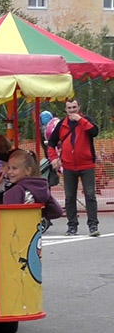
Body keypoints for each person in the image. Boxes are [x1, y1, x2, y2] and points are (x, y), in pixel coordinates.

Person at [47, 98, 100, 236]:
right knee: (69, 197)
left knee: (90, 195)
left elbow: (94, 132)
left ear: (79, 107)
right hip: (69, 166)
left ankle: (93, 226)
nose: (72, 110)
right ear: (66, 110)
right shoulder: (62, 125)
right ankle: (72, 226)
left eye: (74, 107)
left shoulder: (86, 120)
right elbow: (51, 143)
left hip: (87, 164)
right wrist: (53, 158)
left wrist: (80, 120)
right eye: (69, 108)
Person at [0, 150, 62, 218]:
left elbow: (2, 214)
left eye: (14, 168)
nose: (9, 172)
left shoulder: (17, 190)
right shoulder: (41, 187)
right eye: (8, 168)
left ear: (28, 170)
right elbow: (57, 211)